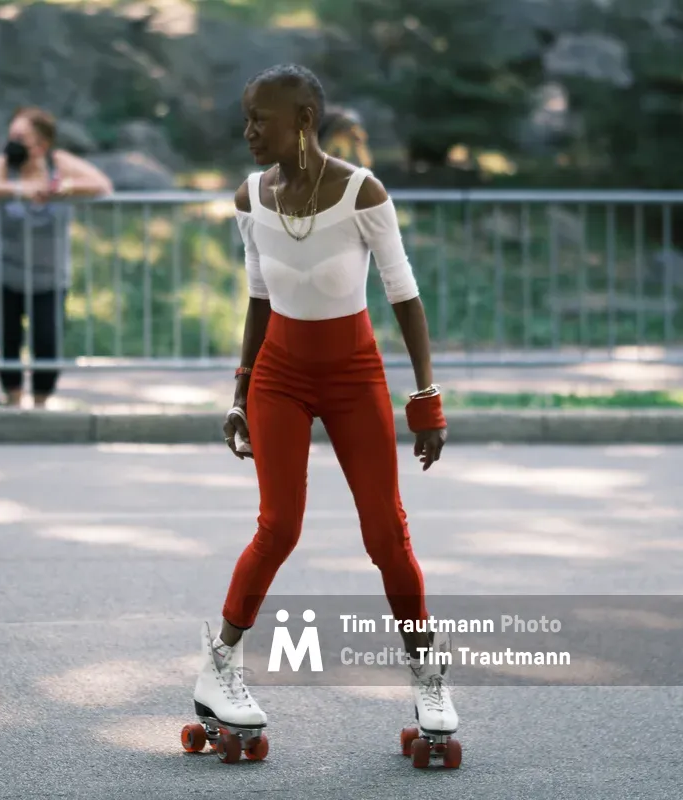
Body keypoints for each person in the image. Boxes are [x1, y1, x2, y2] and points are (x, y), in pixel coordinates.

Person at [191, 64, 457, 753]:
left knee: (386, 535)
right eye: (245, 118)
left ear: (304, 118)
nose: (248, 132)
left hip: (353, 375)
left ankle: (429, 677)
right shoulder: (250, 198)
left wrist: (425, 397)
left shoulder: (362, 193)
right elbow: (257, 299)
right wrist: (239, 394)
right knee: (278, 528)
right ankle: (219, 666)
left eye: (261, 119)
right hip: (278, 375)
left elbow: (404, 295)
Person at [0, 106, 113, 409]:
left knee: (47, 340)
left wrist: (63, 188)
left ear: (42, 143)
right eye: (11, 136)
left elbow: (102, 186)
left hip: (49, 276)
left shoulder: (60, 164)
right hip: (2, 272)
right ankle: (13, 400)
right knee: (7, 339)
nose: (14, 143)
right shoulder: (5, 166)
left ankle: (41, 405)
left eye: (21, 137)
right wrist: (21, 189)